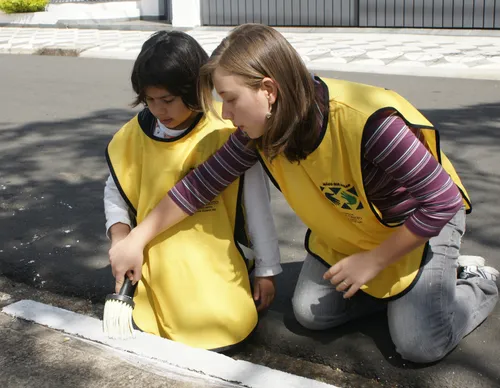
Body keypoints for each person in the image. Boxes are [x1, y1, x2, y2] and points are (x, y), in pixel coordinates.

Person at [108, 24, 498, 363]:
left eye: (229, 98)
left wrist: (374, 260)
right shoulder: (259, 130)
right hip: (349, 232)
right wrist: (136, 240)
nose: (224, 114)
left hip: (416, 225)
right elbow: (199, 184)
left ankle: (475, 280)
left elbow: (442, 201)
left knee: (419, 345)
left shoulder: (370, 122)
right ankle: (404, 295)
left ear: (268, 90)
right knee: (312, 314)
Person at [104, 30, 281, 352]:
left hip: (216, 255)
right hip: (154, 253)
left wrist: (267, 269)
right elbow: (115, 193)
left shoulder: (231, 129)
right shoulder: (130, 138)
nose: (159, 110)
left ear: (197, 88)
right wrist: (121, 240)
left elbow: (257, 206)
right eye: (149, 100)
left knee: (223, 324)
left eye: (168, 100)